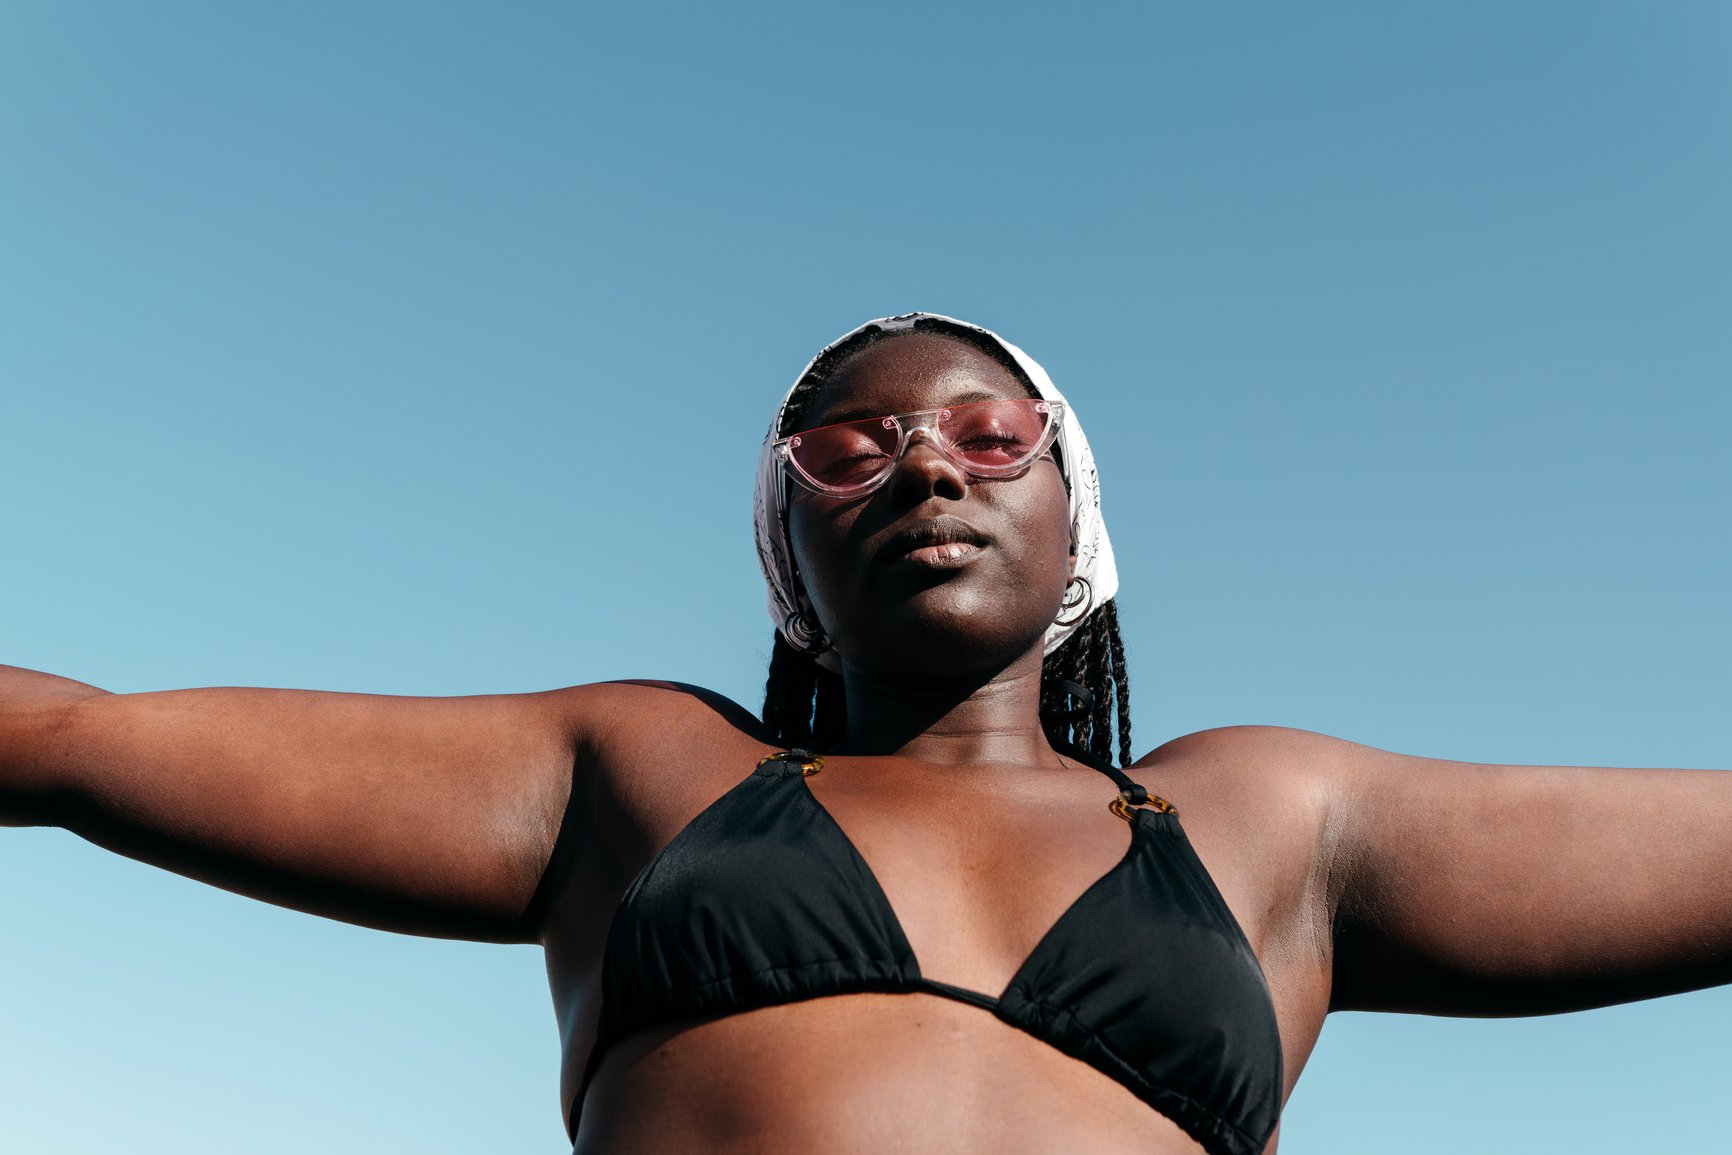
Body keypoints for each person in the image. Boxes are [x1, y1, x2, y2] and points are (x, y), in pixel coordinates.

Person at [3, 311, 1729, 1155]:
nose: (919, 462)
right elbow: (72, 739)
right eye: (846, 448)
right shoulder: (645, 774)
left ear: (1080, 521)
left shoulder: (1269, 820)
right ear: (790, 562)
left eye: (991, 435)